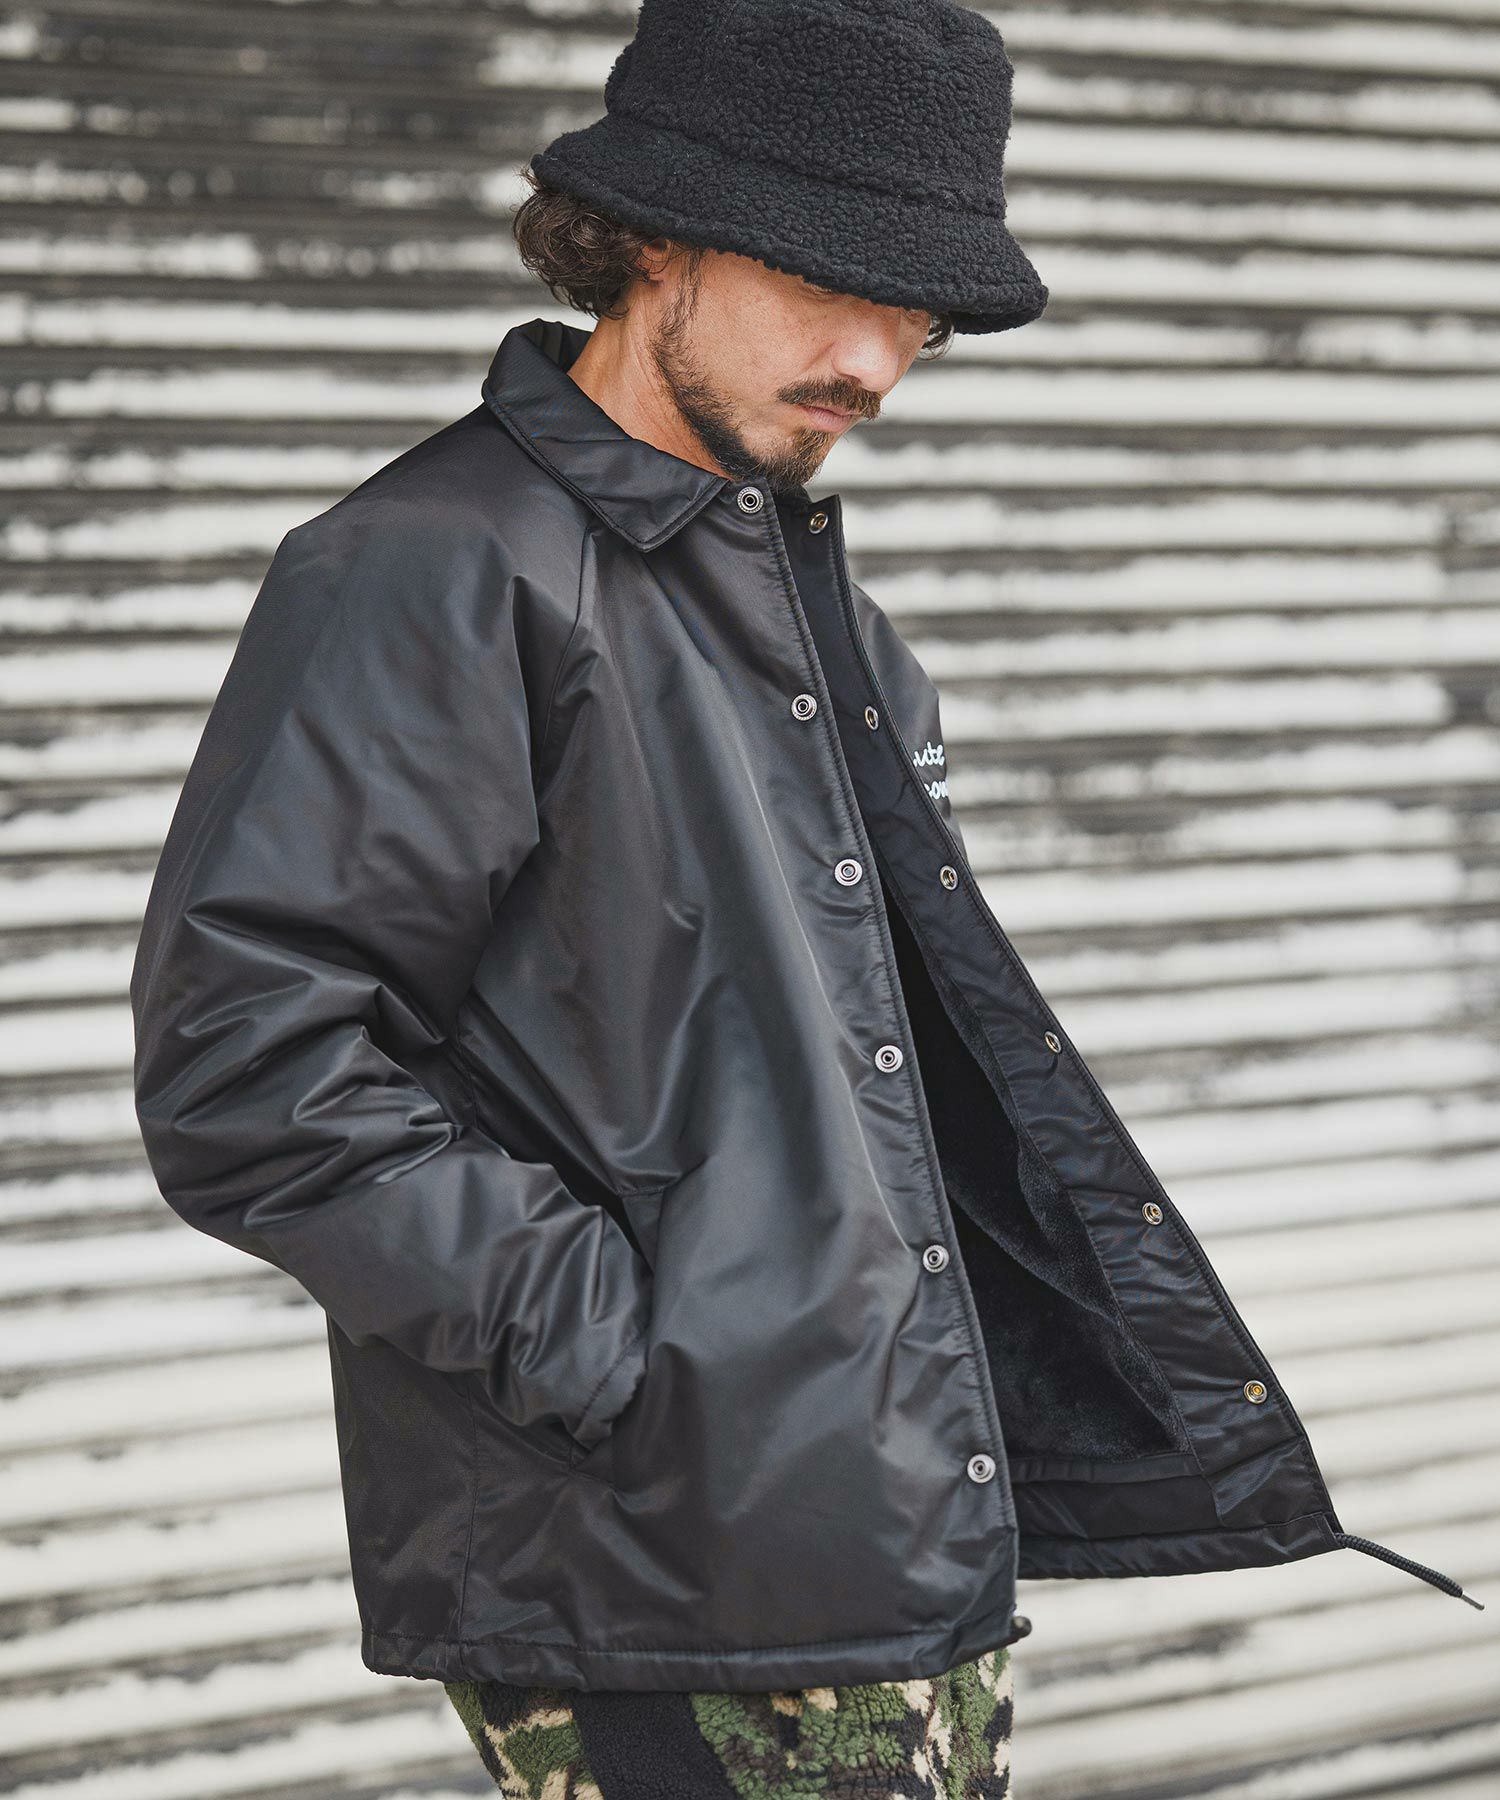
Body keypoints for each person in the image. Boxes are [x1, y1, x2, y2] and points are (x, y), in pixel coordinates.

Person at [129, 3, 1479, 1797]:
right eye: (830, 283)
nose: (876, 362)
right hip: (662, 1566)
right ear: (652, 238)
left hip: (883, 1540)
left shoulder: (820, 623)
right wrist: (650, 1359)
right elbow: (251, 1075)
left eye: (921, 314)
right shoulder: (436, 573)